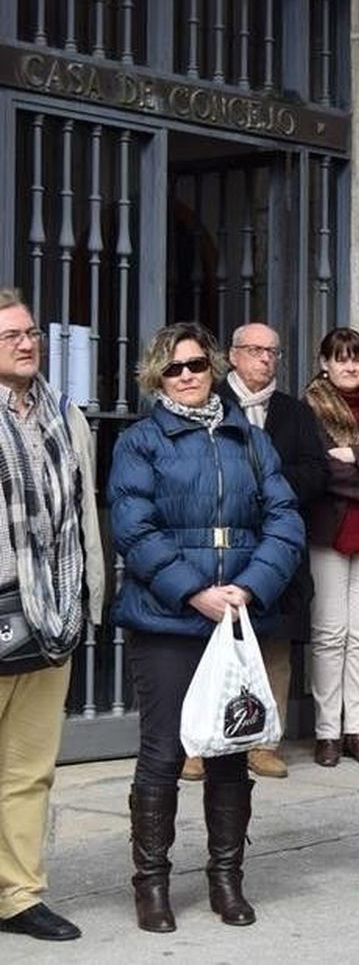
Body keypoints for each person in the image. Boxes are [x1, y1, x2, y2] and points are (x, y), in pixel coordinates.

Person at [108, 322, 305, 932]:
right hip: (168, 619)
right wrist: (194, 592)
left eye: (196, 364)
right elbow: (134, 529)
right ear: (155, 377)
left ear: (214, 367)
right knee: (164, 753)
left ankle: (226, 878)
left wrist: (248, 588)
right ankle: (153, 884)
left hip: (237, 616)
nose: (188, 375)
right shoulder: (141, 442)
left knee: (230, 753)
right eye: (174, 368)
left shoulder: (248, 438)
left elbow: (285, 518)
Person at [0, 290, 104, 943]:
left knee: (29, 768)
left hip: (49, 616)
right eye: (10, 333)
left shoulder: (69, 417)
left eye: (31, 331)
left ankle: (18, 894)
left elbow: (84, 513)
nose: (26, 341)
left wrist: (89, 592)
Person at [217, 322, 329, 780]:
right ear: (233, 355)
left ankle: (263, 742)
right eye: (256, 350)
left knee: (274, 648)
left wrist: (272, 486)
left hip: (278, 544)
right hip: (223, 542)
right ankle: (201, 744)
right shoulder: (211, 401)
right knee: (213, 645)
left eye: (273, 352)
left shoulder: (294, 412)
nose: (266, 359)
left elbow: (317, 471)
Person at [302, 328, 359, 768]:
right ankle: (328, 732)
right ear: (325, 363)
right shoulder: (309, 407)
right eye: (341, 358)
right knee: (330, 635)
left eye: (357, 358)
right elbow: (322, 471)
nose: (350, 367)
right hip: (327, 530)